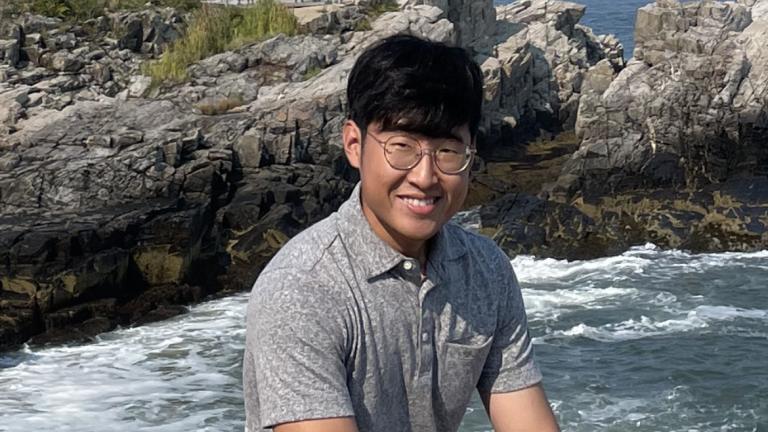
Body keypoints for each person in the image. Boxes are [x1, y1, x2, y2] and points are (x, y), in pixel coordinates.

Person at [243, 34, 560, 432]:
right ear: (354, 145)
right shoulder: (302, 289)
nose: (425, 176)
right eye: (402, 146)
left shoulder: (486, 270)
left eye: (447, 150)